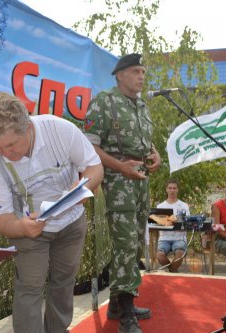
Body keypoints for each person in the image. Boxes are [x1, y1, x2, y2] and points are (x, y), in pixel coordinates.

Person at [0, 92, 103, 333]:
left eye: (11, 145)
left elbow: (94, 168)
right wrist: (21, 227)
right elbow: (3, 221)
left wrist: (81, 187)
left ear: (28, 126)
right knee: (29, 289)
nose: (6, 154)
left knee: (63, 282)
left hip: (72, 223)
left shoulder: (61, 130)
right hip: (28, 229)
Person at [84, 53, 161, 333]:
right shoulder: (104, 102)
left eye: (143, 71)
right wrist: (120, 166)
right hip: (119, 182)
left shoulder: (142, 106)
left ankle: (117, 304)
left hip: (141, 182)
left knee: (135, 242)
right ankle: (127, 313)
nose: (141, 76)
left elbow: (145, 142)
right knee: (125, 244)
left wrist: (156, 155)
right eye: (135, 71)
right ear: (120, 75)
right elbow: (89, 147)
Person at [156, 179, 190, 273]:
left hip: (179, 238)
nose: (172, 190)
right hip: (164, 238)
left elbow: (187, 221)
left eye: (174, 188)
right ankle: (174, 271)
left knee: (179, 254)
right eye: (170, 188)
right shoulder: (160, 206)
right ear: (166, 189)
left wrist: (176, 220)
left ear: (177, 190)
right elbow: (157, 222)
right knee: (160, 256)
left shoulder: (184, 206)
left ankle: (172, 272)